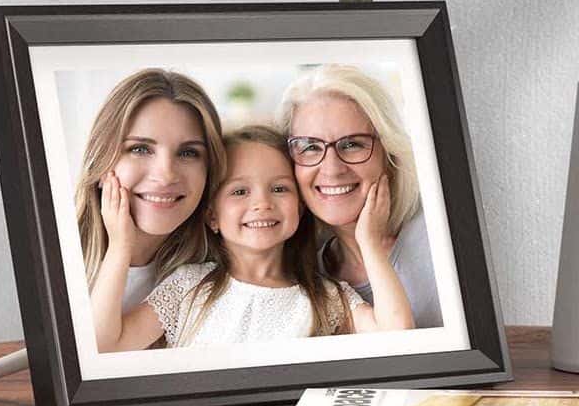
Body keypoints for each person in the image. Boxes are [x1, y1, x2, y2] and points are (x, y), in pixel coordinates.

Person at [92, 125, 414, 351]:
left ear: (300, 207)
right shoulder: (187, 286)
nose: (262, 203)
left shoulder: (327, 298)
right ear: (212, 215)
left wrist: (369, 244)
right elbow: (104, 345)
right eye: (239, 191)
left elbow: (399, 338)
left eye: (279, 188)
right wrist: (120, 246)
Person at [277, 64, 443, 328]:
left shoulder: (438, 234)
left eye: (352, 144)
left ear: (389, 154)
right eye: (310, 147)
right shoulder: (306, 280)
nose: (332, 169)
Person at [75, 68, 226, 321]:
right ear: (101, 160)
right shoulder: (55, 255)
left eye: (188, 153)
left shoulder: (213, 277)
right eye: (140, 149)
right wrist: (120, 248)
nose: (166, 175)